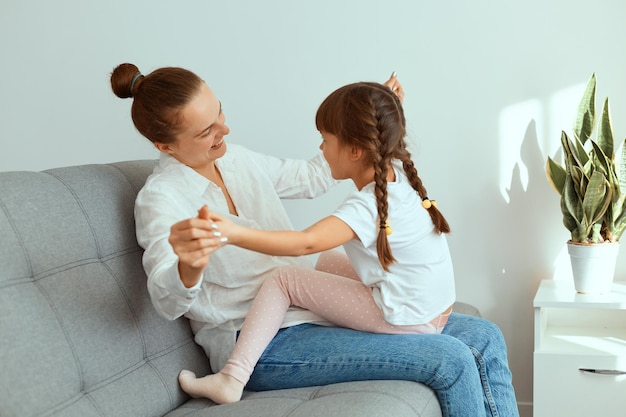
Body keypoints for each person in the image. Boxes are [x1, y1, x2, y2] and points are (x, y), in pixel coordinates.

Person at [110, 62, 519, 417]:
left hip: (309, 306)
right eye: (206, 132)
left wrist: (369, 126)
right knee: (451, 359)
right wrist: (189, 265)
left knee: (484, 337)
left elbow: (312, 175)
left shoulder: (235, 157)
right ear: (164, 145)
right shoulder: (161, 199)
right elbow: (166, 301)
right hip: (260, 341)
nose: (225, 130)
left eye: (220, 113)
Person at [178, 81, 456, 404]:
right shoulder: (397, 173)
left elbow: (305, 243)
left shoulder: (364, 208)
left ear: (355, 151)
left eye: (325, 140)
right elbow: (375, 134)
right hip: (434, 307)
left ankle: (232, 377)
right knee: (326, 263)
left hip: (406, 317)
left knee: (284, 278)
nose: (322, 150)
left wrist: (233, 232)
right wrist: (385, 105)